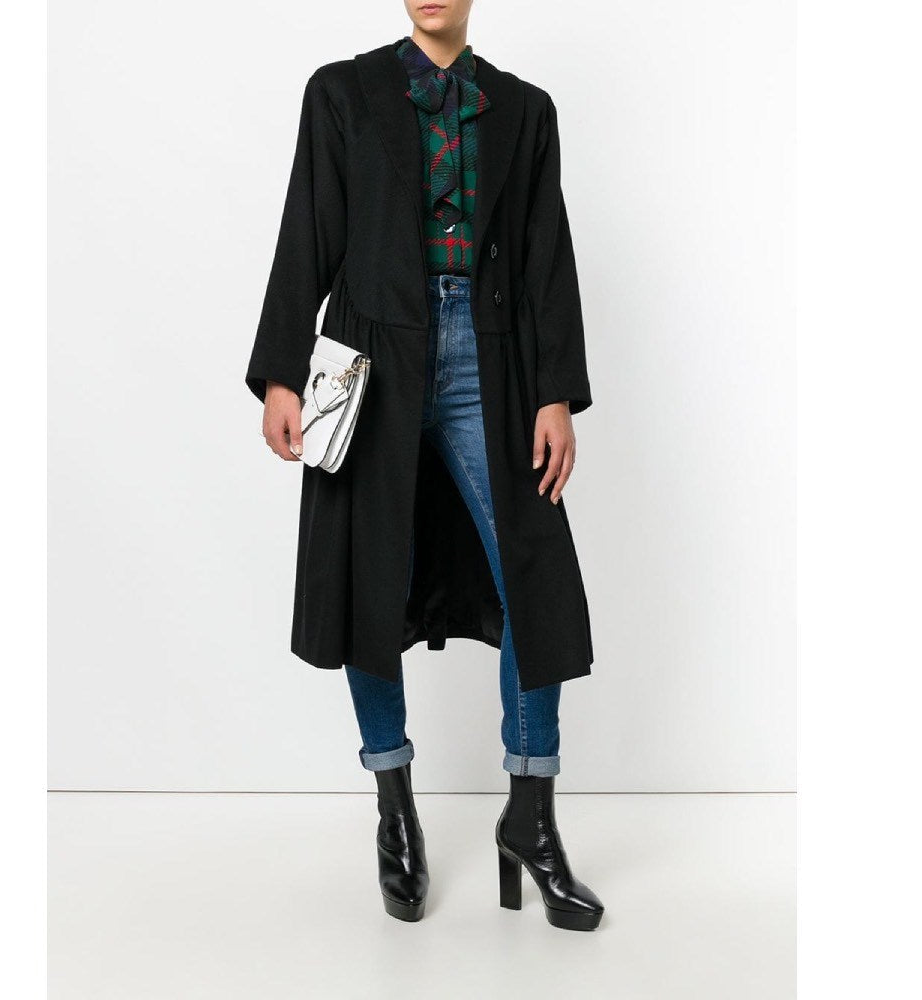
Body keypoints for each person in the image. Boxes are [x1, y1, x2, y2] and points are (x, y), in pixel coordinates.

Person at [245, 0, 604, 931]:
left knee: (532, 578)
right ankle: (393, 806)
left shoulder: (524, 109)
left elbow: (546, 257)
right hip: (370, 361)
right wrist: (281, 371)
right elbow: (307, 231)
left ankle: (530, 818)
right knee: (368, 582)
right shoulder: (342, 93)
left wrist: (554, 393)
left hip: (492, 360)